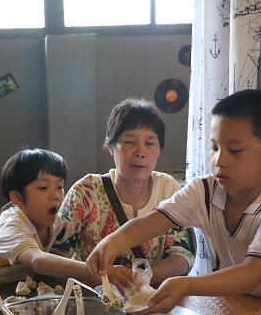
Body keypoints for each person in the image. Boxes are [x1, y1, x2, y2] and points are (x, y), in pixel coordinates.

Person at [86, 89, 261, 314]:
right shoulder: (203, 190)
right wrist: (112, 242)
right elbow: (152, 222)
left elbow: (252, 272)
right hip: (244, 303)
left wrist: (187, 285)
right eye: (214, 148)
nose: (219, 160)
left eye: (234, 150)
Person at [53, 98, 194, 292]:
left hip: (150, 299)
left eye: (150, 143)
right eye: (129, 142)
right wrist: (98, 275)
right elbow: (56, 254)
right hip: (94, 301)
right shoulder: (86, 191)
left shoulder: (168, 189)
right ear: (110, 146)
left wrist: (141, 279)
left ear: (159, 149)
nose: (140, 152)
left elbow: (183, 255)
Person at [0, 148, 93, 281]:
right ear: (17, 198)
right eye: (43, 187)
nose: (55, 195)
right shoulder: (10, 225)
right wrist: (91, 270)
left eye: (59, 186)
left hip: (10, 282)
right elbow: (38, 261)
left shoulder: (55, 223)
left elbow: (52, 257)